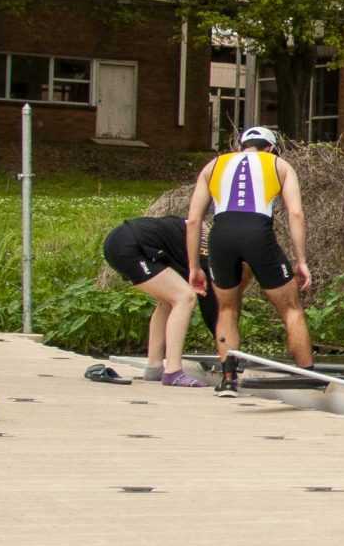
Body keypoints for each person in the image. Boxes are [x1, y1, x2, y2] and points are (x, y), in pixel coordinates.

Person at [185, 126, 313, 392]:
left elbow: (194, 219)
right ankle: (308, 375)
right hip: (258, 234)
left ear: (241, 146)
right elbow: (296, 214)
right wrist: (301, 260)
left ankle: (229, 378)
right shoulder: (280, 165)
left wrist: (194, 267)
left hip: (221, 236)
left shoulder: (213, 165)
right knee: (291, 309)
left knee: (226, 309)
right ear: (271, 148)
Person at [101, 213, 219, 386]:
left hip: (122, 241)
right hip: (129, 245)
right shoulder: (209, 247)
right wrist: (225, 341)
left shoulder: (203, 234)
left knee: (168, 301)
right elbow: (210, 305)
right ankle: (173, 372)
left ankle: (154, 367)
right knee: (184, 297)